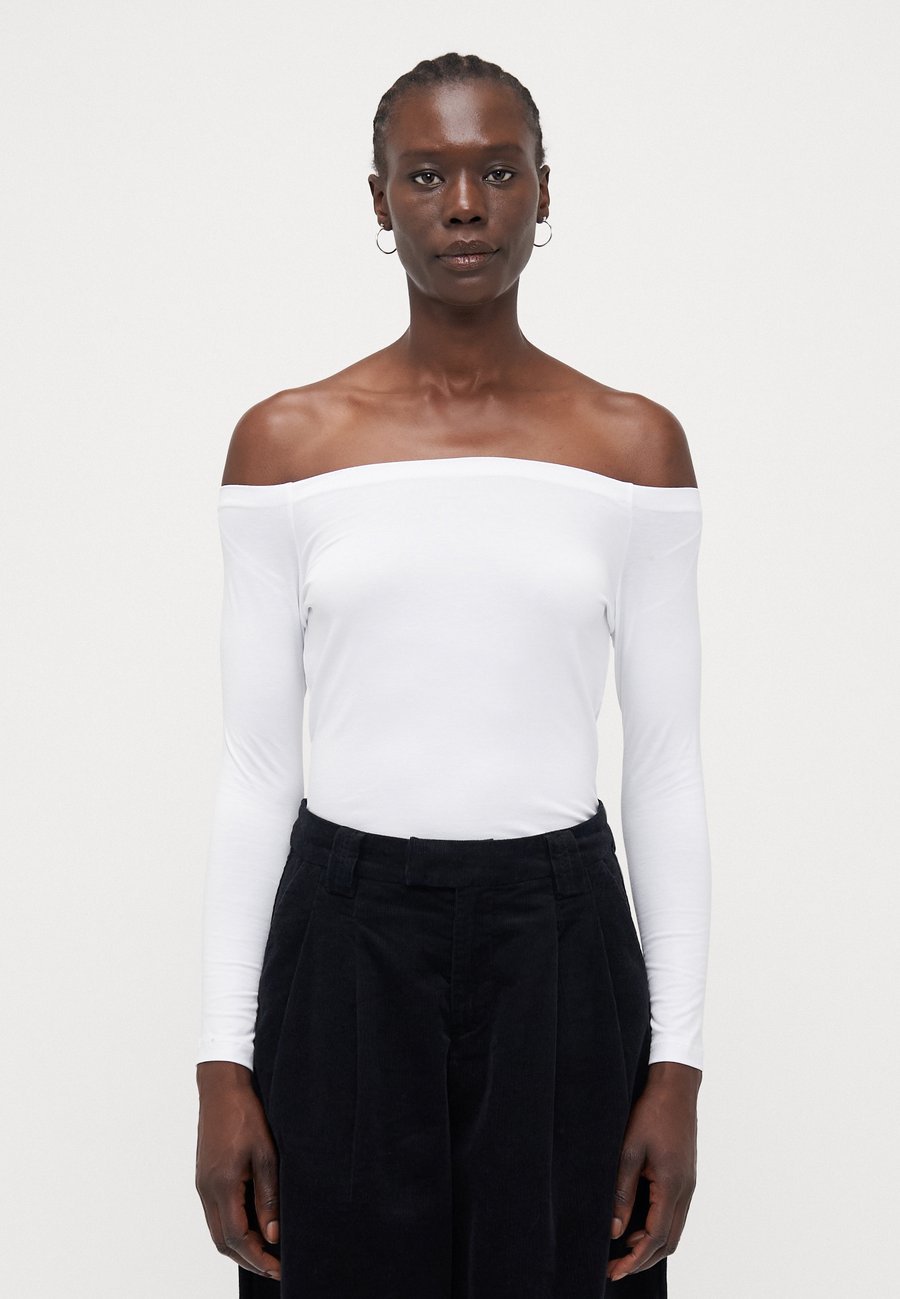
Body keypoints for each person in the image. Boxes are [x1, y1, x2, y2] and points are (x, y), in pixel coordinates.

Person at [194, 51, 711, 1299]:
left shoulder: (632, 447)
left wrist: (677, 1069)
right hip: (345, 940)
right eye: (426, 176)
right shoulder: (287, 445)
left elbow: (665, 767)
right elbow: (257, 769)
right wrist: (222, 1065)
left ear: (544, 190)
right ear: (380, 199)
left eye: (497, 171)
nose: (465, 207)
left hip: (560, 944)